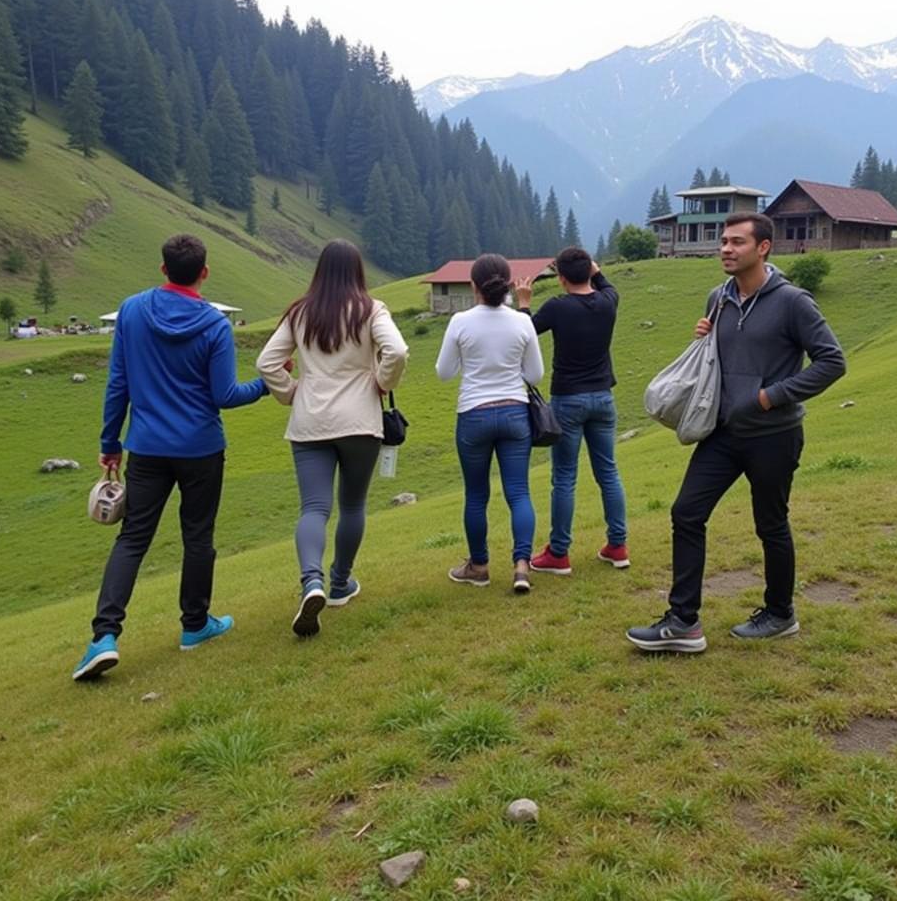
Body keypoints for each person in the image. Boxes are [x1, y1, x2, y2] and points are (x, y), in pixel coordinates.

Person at [627, 213, 846, 654]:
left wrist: (772, 396)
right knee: (686, 512)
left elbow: (832, 362)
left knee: (770, 524)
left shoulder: (793, 302)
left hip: (774, 433)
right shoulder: (718, 298)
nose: (725, 248)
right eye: (723, 241)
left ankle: (780, 613)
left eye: (737, 242)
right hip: (722, 432)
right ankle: (683, 622)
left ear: (763, 248)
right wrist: (704, 336)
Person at [73, 234, 270, 681]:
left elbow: (117, 383)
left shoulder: (132, 310)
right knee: (197, 536)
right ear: (204, 273)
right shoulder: (215, 325)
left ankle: (104, 636)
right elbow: (225, 395)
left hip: (145, 447)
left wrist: (110, 443)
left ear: (163, 269)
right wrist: (265, 384)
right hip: (201, 448)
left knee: (132, 539)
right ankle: (195, 626)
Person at [256, 240, 408, 638]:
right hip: (360, 421)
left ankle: (312, 582)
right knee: (352, 504)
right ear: (358, 270)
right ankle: (340, 583)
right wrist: (379, 381)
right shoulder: (371, 309)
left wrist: (289, 392)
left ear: (319, 270)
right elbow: (398, 350)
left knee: (314, 508)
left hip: (310, 423)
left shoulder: (300, 312)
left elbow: (266, 362)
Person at [514, 247, 628, 575]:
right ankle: (617, 546)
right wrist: (594, 269)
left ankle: (559, 553)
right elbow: (604, 282)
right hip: (603, 398)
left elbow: (525, 335)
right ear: (589, 271)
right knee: (608, 472)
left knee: (564, 477)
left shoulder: (557, 307)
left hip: (568, 400)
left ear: (562, 279)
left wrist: (523, 302)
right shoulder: (609, 301)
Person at [435, 254, 544, 593]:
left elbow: (444, 373)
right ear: (510, 284)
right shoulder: (522, 323)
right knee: (519, 491)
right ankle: (522, 566)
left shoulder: (460, 322)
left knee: (476, 494)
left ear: (473, 286)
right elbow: (536, 374)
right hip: (515, 412)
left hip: (474, 414)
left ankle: (479, 565)